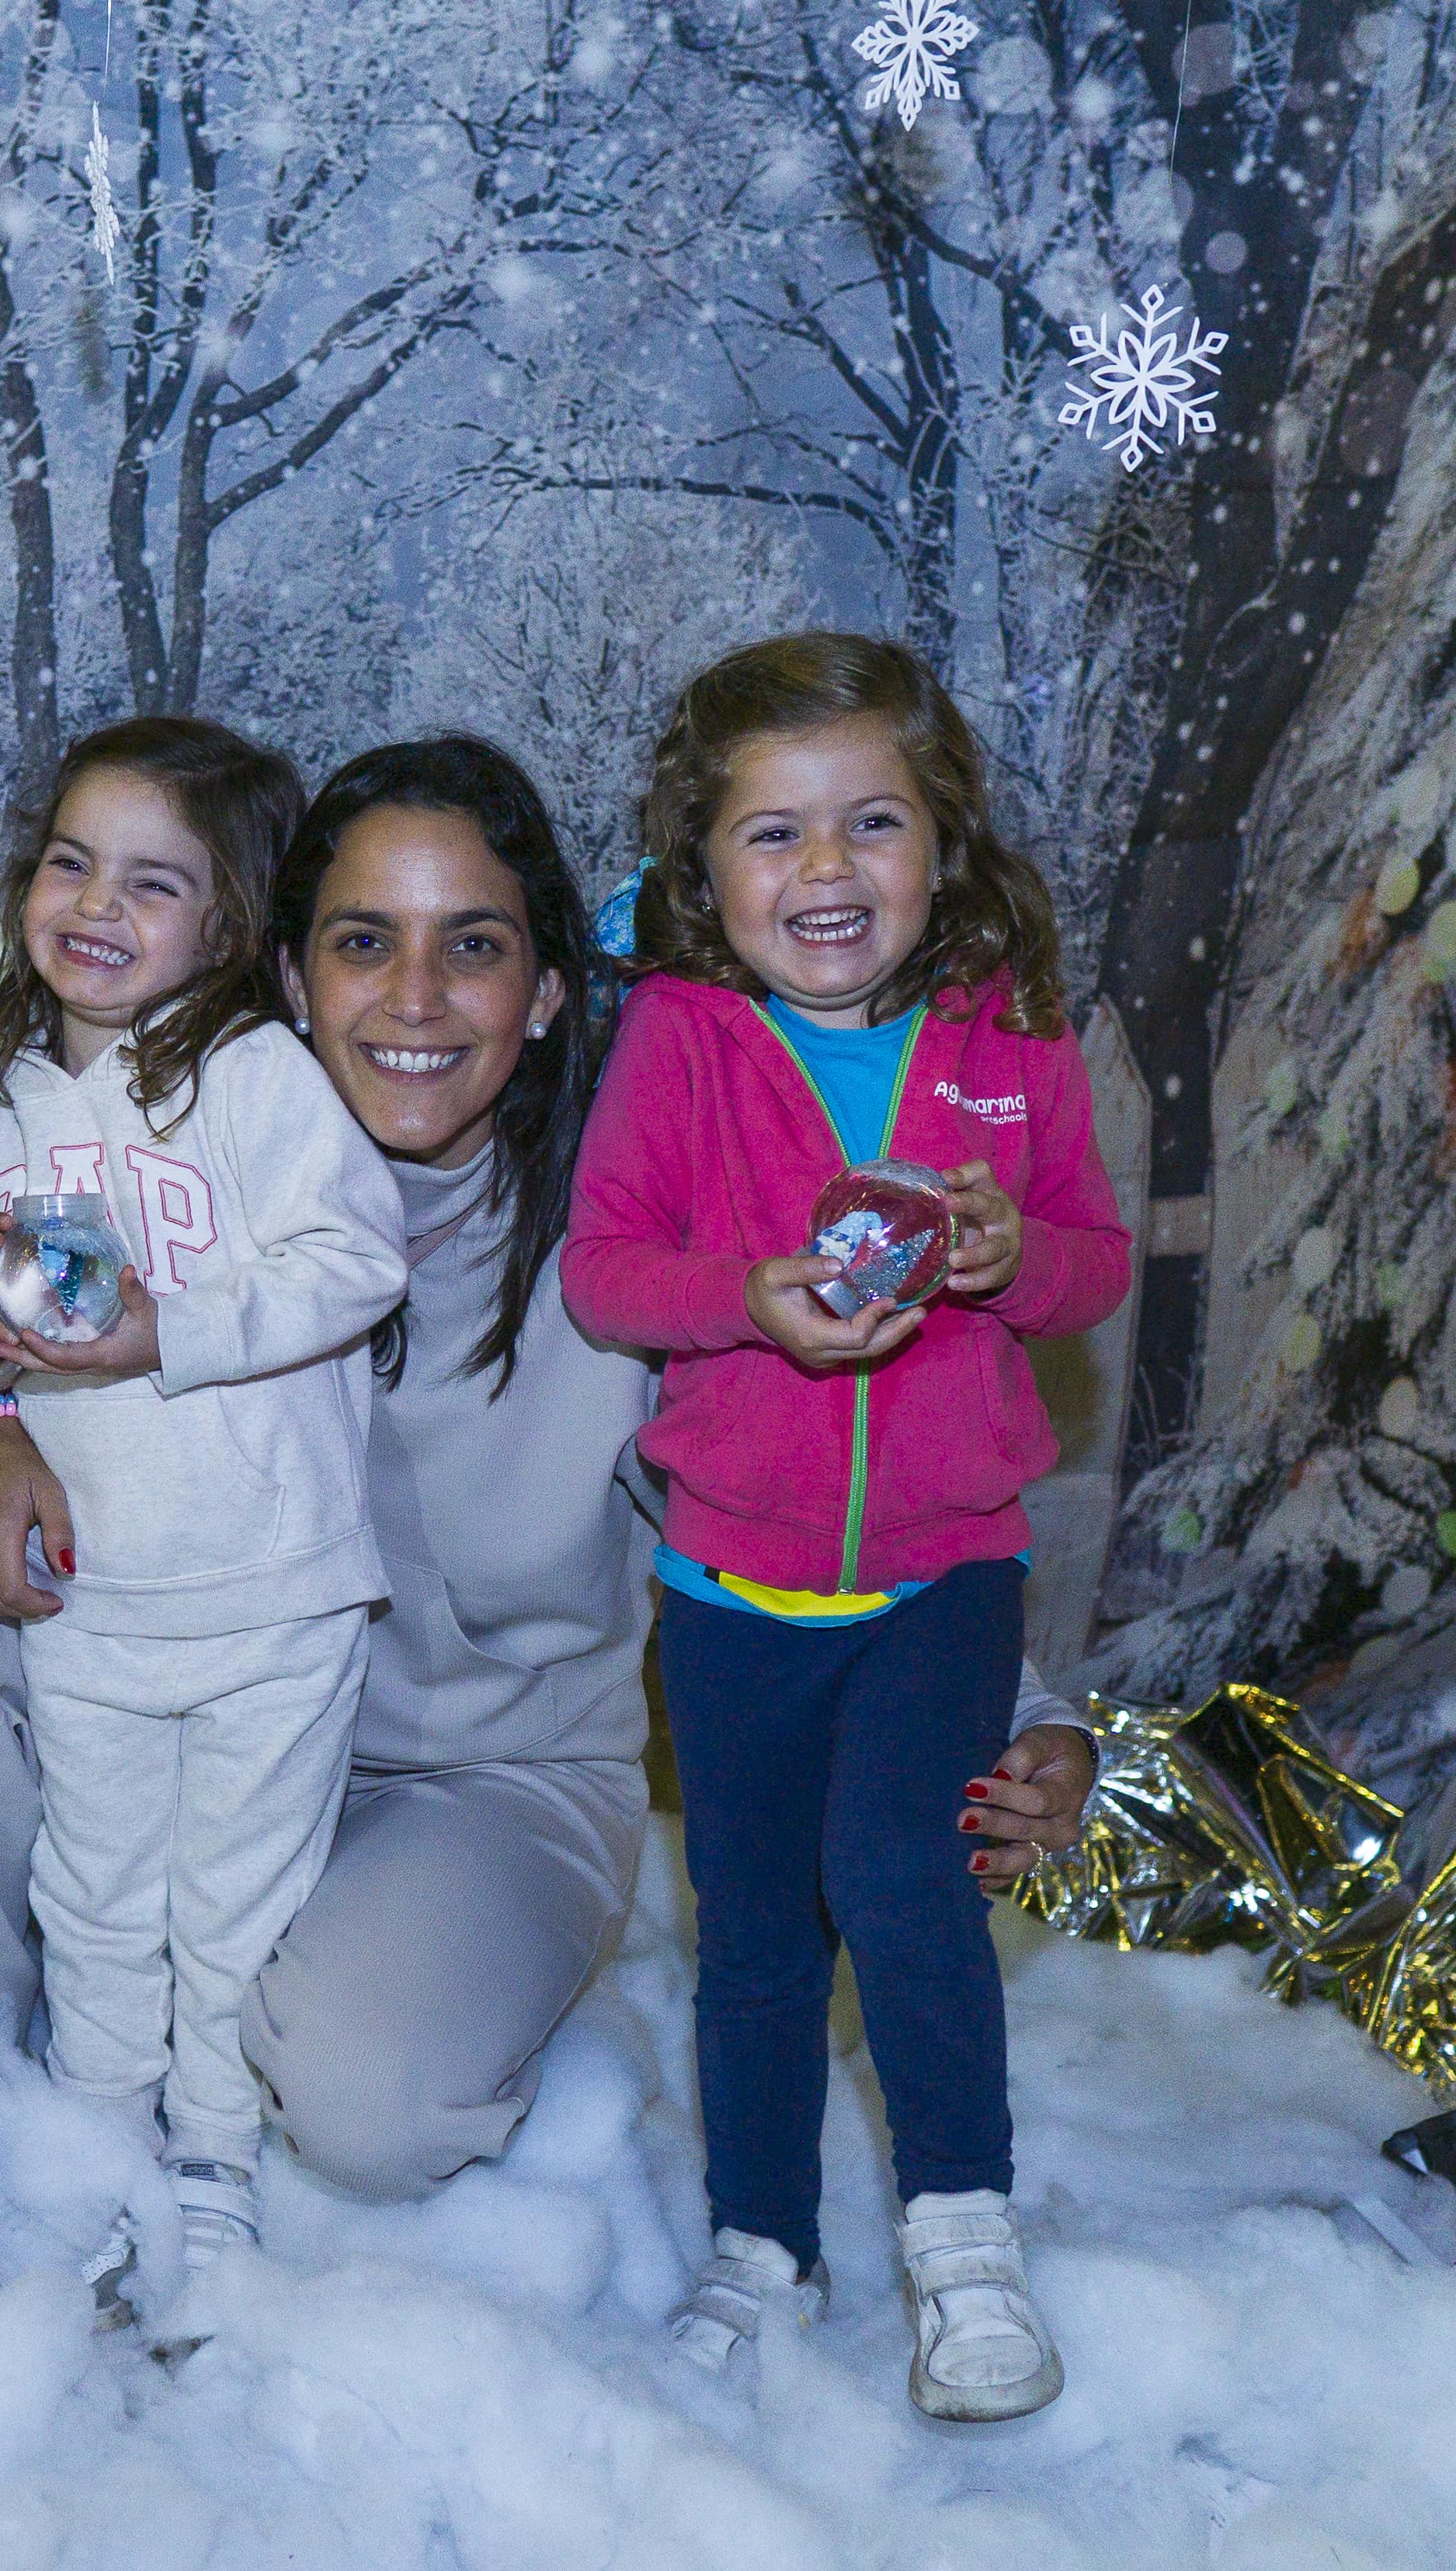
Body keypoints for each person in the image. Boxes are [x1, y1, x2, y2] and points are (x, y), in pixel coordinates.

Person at [0, 736, 1100, 2227]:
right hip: (171, 1700)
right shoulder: (166, 1179)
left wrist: (1020, 1717)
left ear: (547, 993)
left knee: (369, 2098)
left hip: (471, 1781)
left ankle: (403, 1983)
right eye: (363, 943)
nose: (413, 1000)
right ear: (288, 976)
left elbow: (811, 1496)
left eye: (471, 948)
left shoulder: (633, 1264)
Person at [563, 634, 1129, 2419]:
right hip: (727, 1579)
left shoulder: (1008, 1036)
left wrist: (1005, 1258)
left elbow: (1092, 1263)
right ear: (699, 872)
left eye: (868, 823)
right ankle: (760, 2244)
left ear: (939, 844)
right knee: (751, 1930)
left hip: (945, 1565)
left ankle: (962, 2243)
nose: (824, 872)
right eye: (773, 835)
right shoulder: (676, 1034)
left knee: (901, 1877)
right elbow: (603, 1272)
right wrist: (748, 1294)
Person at [0, 716, 408, 2302]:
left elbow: (356, 1264)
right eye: (71, 862)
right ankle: (94, 2134)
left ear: (226, 925)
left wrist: (166, 1332)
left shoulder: (259, 1082)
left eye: (152, 882)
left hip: (273, 1586)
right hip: (91, 1587)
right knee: (97, 1883)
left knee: (235, 1895)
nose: (96, 906)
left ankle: (211, 2150)